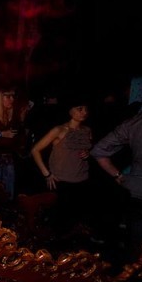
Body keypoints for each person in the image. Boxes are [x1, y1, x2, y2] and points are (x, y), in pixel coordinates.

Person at [90, 87, 142, 262]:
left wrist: (117, 175)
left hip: (138, 191)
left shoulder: (136, 122)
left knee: (135, 244)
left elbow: (98, 151)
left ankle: (132, 273)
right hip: (137, 192)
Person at [29, 95, 94, 242]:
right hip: (61, 181)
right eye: (80, 109)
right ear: (70, 111)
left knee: (76, 220)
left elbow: (86, 148)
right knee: (59, 221)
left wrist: (87, 153)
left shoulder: (87, 130)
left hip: (82, 180)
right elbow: (35, 150)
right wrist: (47, 174)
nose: (84, 112)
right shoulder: (59, 130)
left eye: (86, 109)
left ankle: (72, 248)